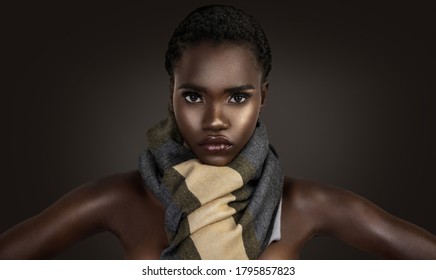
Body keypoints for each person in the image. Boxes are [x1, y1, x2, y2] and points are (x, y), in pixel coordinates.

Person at [1, 4, 435, 260]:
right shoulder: (118, 200)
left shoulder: (307, 205)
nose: (214, 119)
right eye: (193, 97)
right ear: (169, 94)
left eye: (237, 97)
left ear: (263, 97)